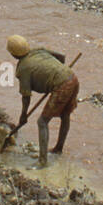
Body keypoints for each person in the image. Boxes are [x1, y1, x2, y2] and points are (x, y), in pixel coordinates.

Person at [7, 35, 78, 166]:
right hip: (72, 77)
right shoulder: (39, 50)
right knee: (65, 115)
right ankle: (58, 149)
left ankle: (42, 161)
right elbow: (62, 57)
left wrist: (23, 115)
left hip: (62, 86)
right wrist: (56, 71)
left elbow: (26, 96)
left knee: (42, 122)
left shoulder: (23, 69)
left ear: (13, 54)